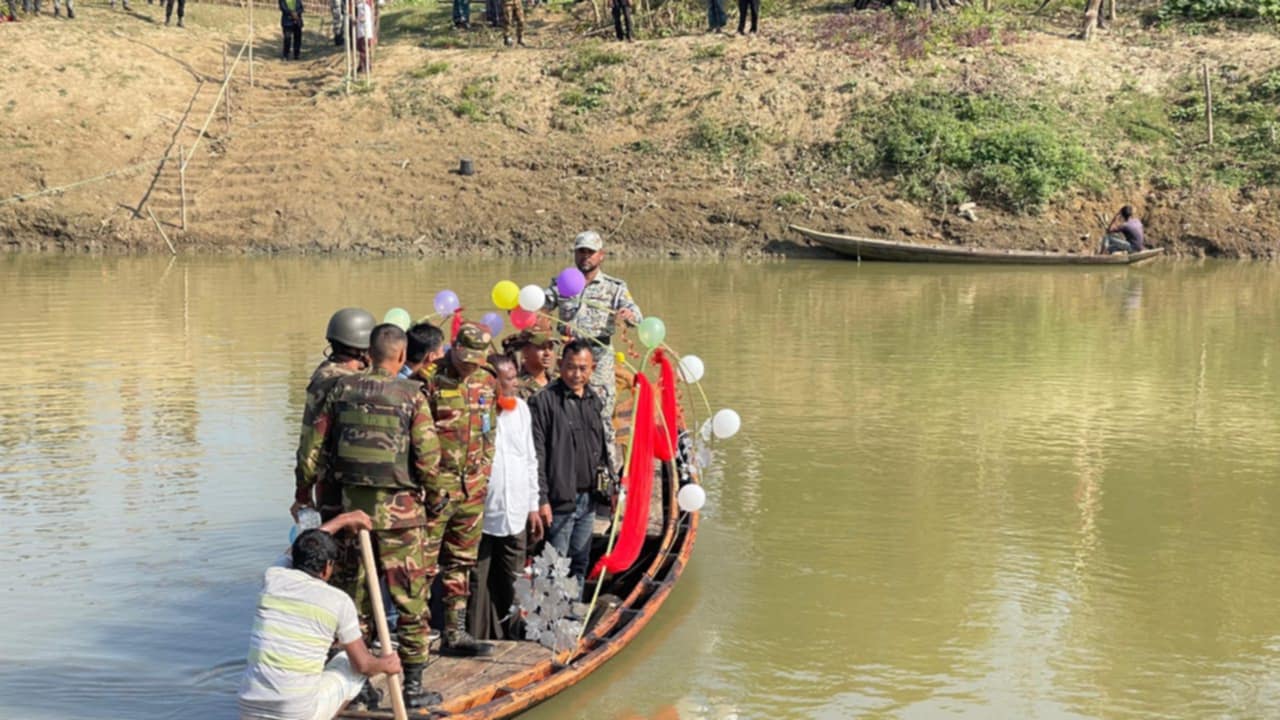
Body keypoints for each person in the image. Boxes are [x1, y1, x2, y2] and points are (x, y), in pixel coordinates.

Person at [295, 324, 444, 709]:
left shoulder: (341, 389)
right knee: (411, 601)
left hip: (352, 513)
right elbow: (429, 458)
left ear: (369, 353)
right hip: (402, 518)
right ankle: (411, 688)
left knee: (352, 600)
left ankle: (357, 688)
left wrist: (303, 491)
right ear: (399, 357)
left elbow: (312, 447)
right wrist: (435, 500)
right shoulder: (412, 395)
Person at [238, 510, 402, 720]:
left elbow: (298, 548)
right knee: (346, 661)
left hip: (248, 705)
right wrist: (386, 664)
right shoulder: (338, 601)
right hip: (295, 712)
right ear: (327, 567)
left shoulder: (273, 577)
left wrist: (343, 520)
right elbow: (364, 665)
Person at [421, 322, 499, 656]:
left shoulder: (487, 380)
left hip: (472, 490)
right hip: (437, 490)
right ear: (454, 348)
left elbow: (489, 433)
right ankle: (418, 636)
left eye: (476, 359)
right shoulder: (427, 380)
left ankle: (455, 633)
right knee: (422, 566)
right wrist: (429, 485)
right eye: (464, 357)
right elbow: (416, 440)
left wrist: (483, 472)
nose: (469, 365)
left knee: (461, 562)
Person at [543, 230, 642, 472]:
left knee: (601, 415)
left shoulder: (614, 287)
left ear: (601, 256)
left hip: (598, 359)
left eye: (590, 252)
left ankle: (607, 472)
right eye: (581, 252)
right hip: (567, 357)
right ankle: (565, 469)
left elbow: (637, 316)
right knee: (563, 413)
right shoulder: (561, 283)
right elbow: (541, 305)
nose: (585, 256)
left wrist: (627, 316)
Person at [469, 354, 543, 640]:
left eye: (515, 377)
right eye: (508, 379)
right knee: (478, 579)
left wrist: (533, 505)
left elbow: (529, 458)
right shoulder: (476, 410)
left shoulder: (522, 409)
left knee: (514, 580)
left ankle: (514, 637)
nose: (514, 384)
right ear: (492, 381)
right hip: (481, 512)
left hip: (516, 509)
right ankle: (476, 636)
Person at [530, 340, 611, 581]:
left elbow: (601, 448)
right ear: (560, 366)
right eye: (571, 367)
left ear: (592, 368)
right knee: (555, 564)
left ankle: (571, 615)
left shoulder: (593, 400)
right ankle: (548, 617)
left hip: (588, 498)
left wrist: (610, 486)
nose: (576, 374)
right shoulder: (543, 402)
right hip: (559, 499)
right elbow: (536, 455)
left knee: (580, 560)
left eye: (583, 368)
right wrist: (541, 498)